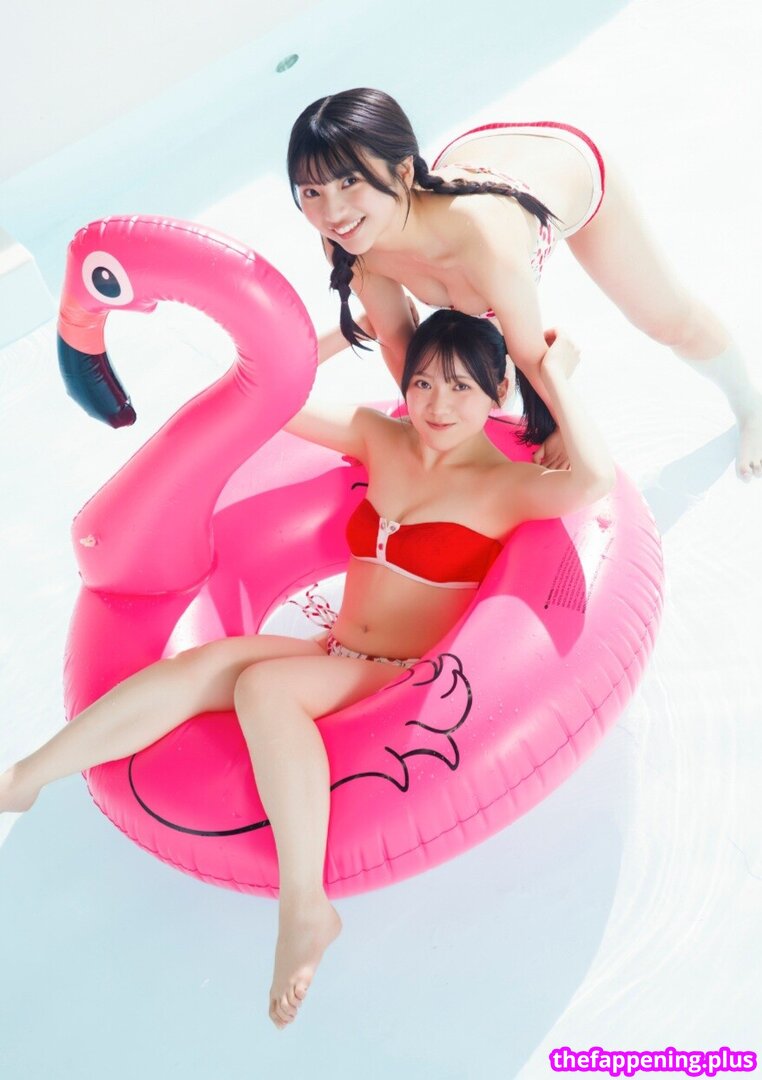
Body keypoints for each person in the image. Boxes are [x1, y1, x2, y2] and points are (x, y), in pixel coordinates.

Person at [0, 310, 614, 1030]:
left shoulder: (506, 487)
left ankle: (305, 906)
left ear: (496, 391)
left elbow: (594, 478)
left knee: (262, 686)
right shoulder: (382, 437)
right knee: (206, 664)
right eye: (422, 382)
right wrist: (341, 334)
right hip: (336, 654)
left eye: (460, 387)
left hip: (402, 679)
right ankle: (24, 778)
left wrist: (549, 374)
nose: (438, 405)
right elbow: (270, 402)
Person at [287, 87, 762, 480]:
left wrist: (564, 428)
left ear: (404, 171)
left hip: (564, 172)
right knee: (484, 364)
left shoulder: (482, 240)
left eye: (349, 182)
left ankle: (752, 407)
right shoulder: (346, 237)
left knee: (666, 319)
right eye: (311, 191)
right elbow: (399, 342)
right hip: (472, 161)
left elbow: (533, 357)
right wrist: (433, 432)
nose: (332, 212)